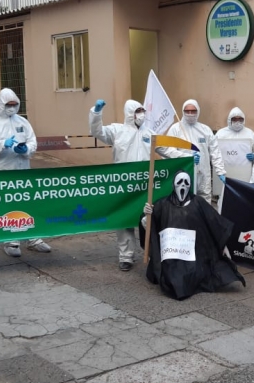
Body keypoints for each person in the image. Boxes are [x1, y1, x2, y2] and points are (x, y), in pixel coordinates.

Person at [141, 170, 245, 300]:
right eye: (179, 182)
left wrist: (223, 246)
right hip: (171, 254)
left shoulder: (198, 202)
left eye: (186, 182)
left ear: (190, 185)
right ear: (173, 185)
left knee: (194, 275)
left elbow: (215, 223)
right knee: (171, 278)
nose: (183, 185)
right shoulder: (163, 204)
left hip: (195, 253)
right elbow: (149, 226)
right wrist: (147, 215)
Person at [0, 88, 51, 257]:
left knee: (27, 202)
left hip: (22, 169)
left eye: (14, 104)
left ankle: (33, 238)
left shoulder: (22, 122)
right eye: (8, 105)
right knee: (9, 205)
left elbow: (32, 141)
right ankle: (11, 241)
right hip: (2, 171)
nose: (11, 108)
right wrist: (3, 143)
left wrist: (25, 149)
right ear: (1, 104)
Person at [90, 98, 152, 271]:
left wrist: (185, 157)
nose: (141, 114)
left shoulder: (150, 133)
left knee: (147, 219)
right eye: (137, 111)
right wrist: (96, 113)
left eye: (142, 111)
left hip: (144, 185)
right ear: (130, 113)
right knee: (124, 221)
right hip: (123, 184)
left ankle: (152, 252)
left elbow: (165, 149)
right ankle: (126, 257)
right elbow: (96, 131)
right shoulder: (117, 131)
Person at [164, 99, 225, 204]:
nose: (190, 114)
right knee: (183, 201)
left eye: (193, 111)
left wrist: (220, 171)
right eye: (187, 111)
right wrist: (186, 157)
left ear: (198, 111)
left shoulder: (205, 130)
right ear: (183, 111)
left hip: (203, 174)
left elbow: (215, 152)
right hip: (183, 174)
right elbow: (167, 151)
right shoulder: (175, 129)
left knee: (204, 201)